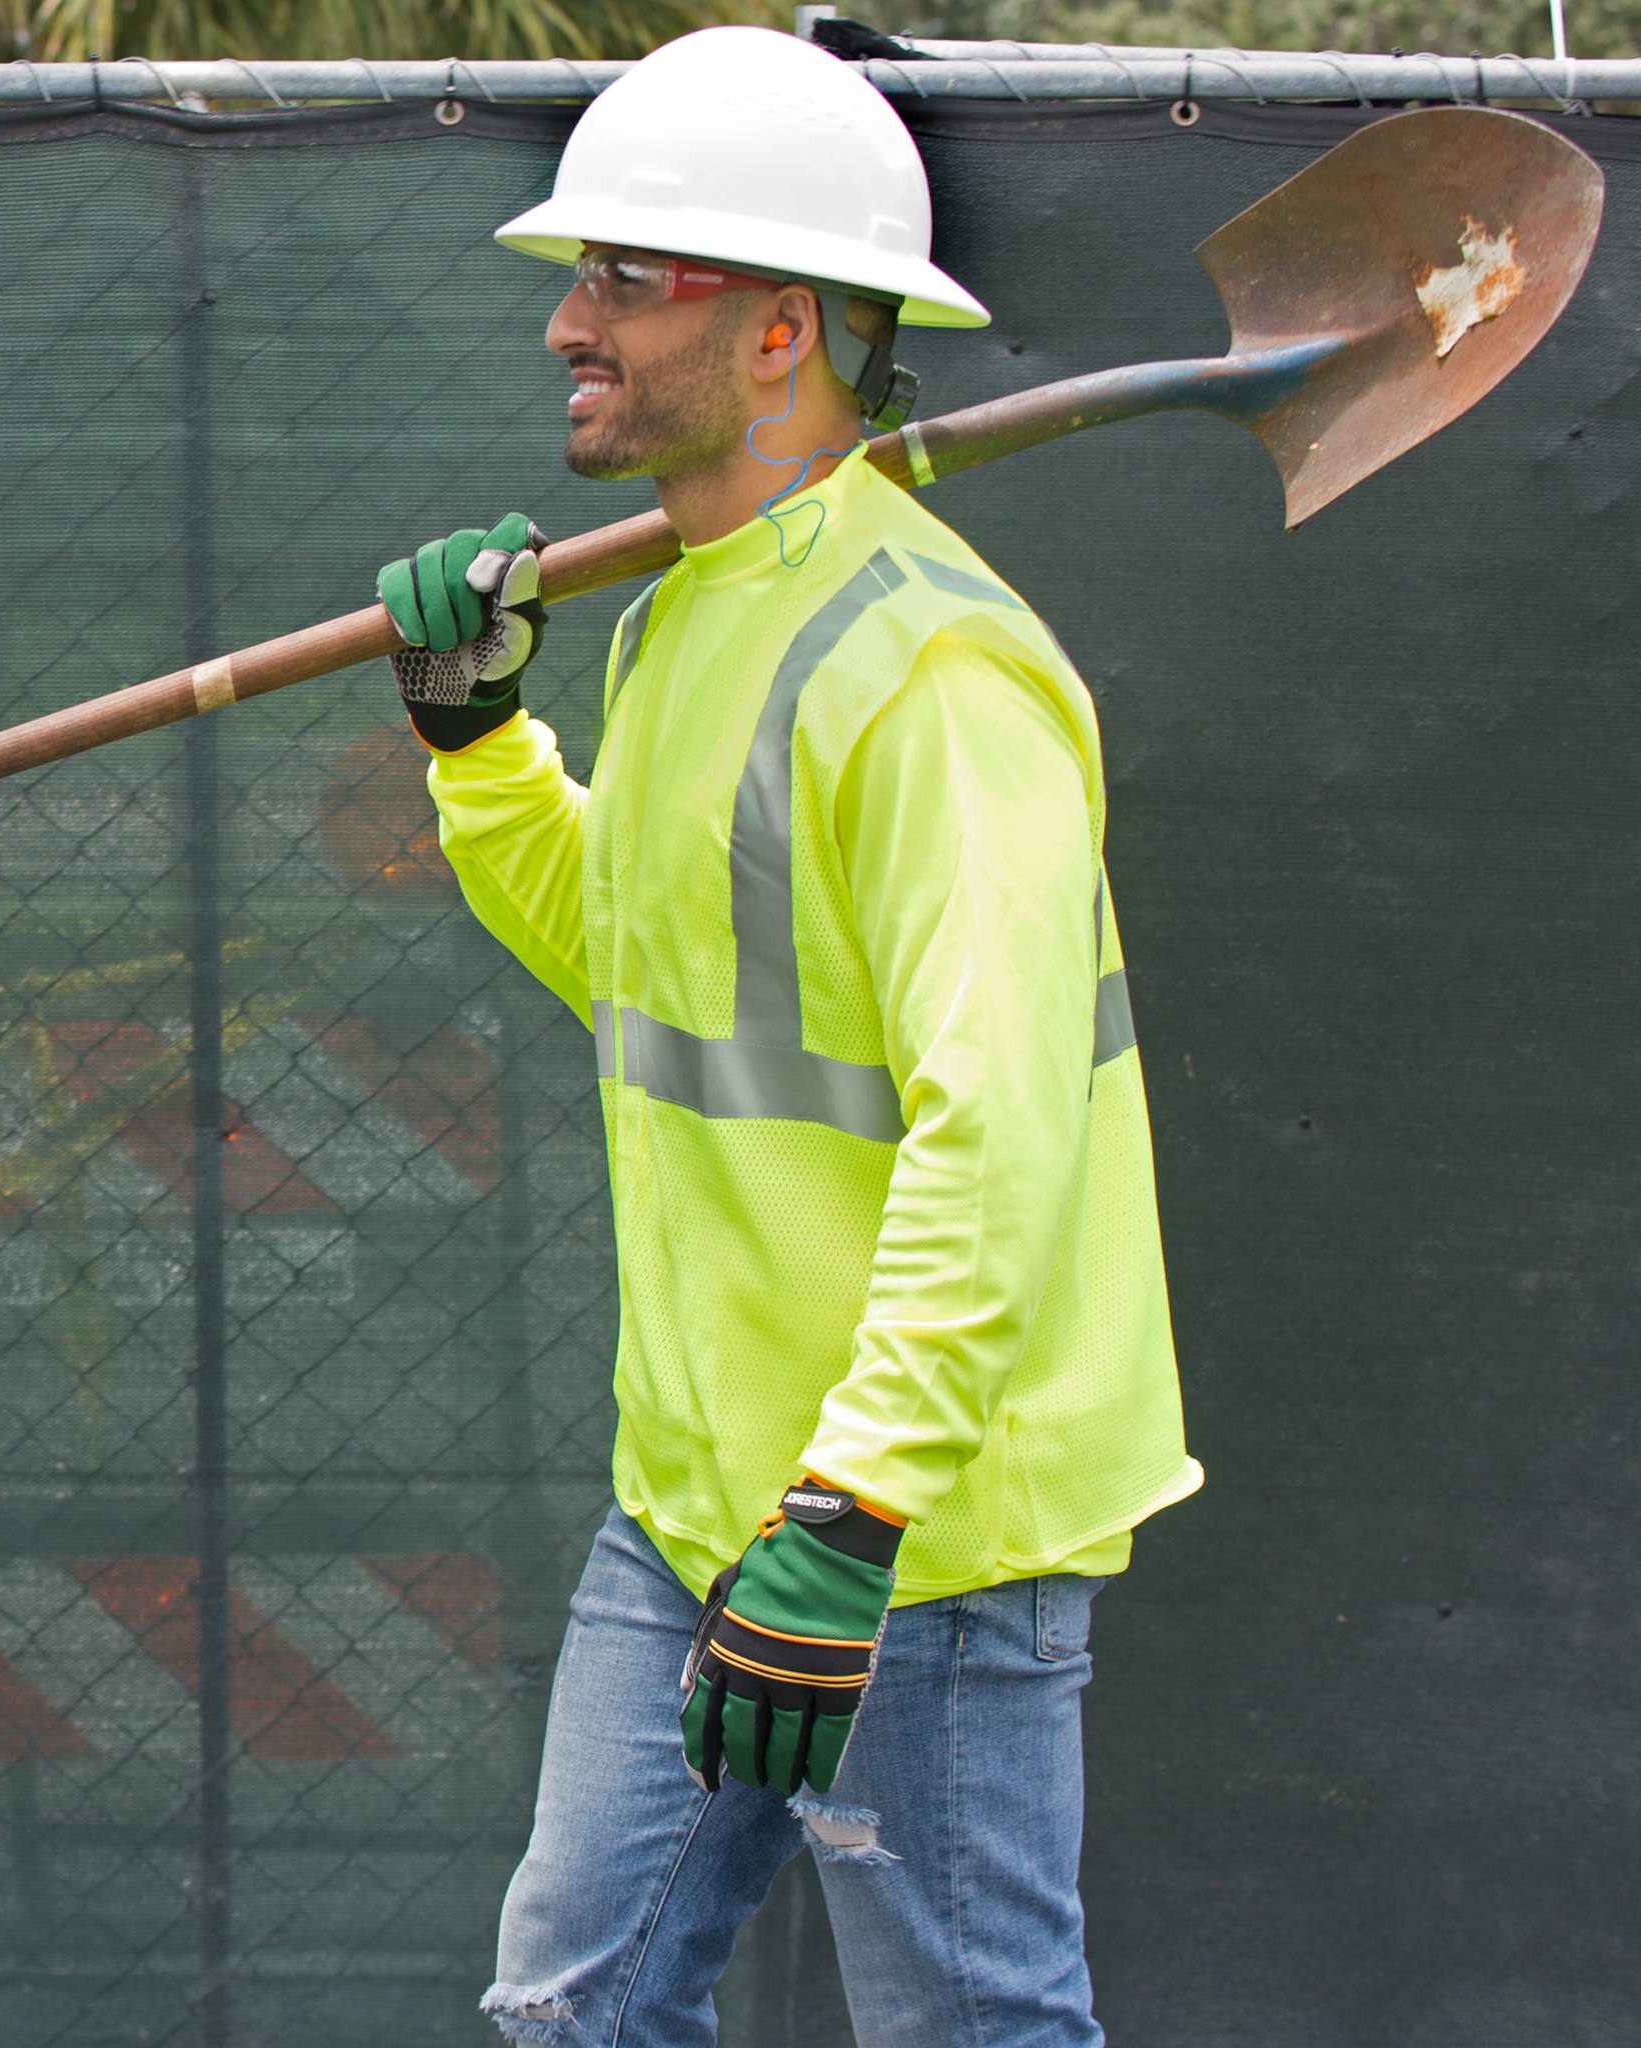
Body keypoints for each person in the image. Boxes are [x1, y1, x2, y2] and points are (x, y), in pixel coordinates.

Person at [373, 26, 1201, 2047]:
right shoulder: (685, 606)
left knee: (972, 2029)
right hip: (689, 1503)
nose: (568, 319)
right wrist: (482, 747)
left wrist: (852, 1510)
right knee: (572, 2010)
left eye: (624, 279)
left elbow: (997, 1126)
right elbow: (645, 972)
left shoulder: (928, 671)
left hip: (907, 1532)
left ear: (781, 335)